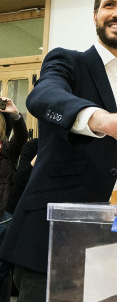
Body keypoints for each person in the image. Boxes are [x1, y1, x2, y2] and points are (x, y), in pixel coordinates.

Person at [0, 0, 117, 301]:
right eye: (109, 5)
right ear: (96, 16)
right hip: (51, 242)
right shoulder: (68, 62)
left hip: (113, 241)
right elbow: (43, 97)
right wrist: (102, 119)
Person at [0, 98, 28, 302]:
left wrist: (15, 114)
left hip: (3, 219)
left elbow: (21, 136)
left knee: (2, 273)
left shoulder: (7, 151)